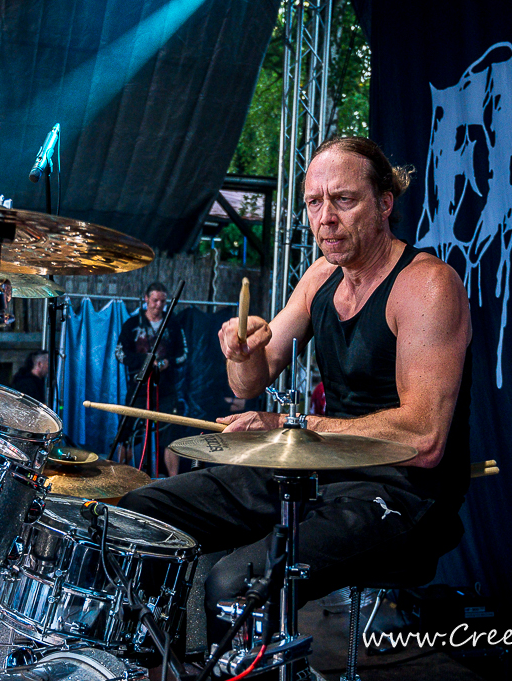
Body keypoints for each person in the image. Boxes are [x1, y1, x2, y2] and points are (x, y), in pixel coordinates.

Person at [120, 136, 472, 645]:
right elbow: (249, 382)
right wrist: (242, 350)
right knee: (142, 513)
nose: (325, 218)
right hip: (320, 470)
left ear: (384, 203)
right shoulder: (320, 277)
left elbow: (424, 439)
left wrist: (293, 425)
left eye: (344, 200)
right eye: (314, 202)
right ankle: (160, 657)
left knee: (234, 585)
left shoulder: (427, 285)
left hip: (401, 491)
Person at [114, 282, 188, 475]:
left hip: (166, 390)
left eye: (162, 301)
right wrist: (145, 361)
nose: (158, 305)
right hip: (139, 389)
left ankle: (173, 482)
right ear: (146, 299)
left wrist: (167, 362)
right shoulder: (132, 324)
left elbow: (184, 354)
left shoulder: (173, 324)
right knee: (127, 435)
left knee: (171, 438)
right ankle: (119, 479)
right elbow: (120, 354)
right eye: (155, 300)